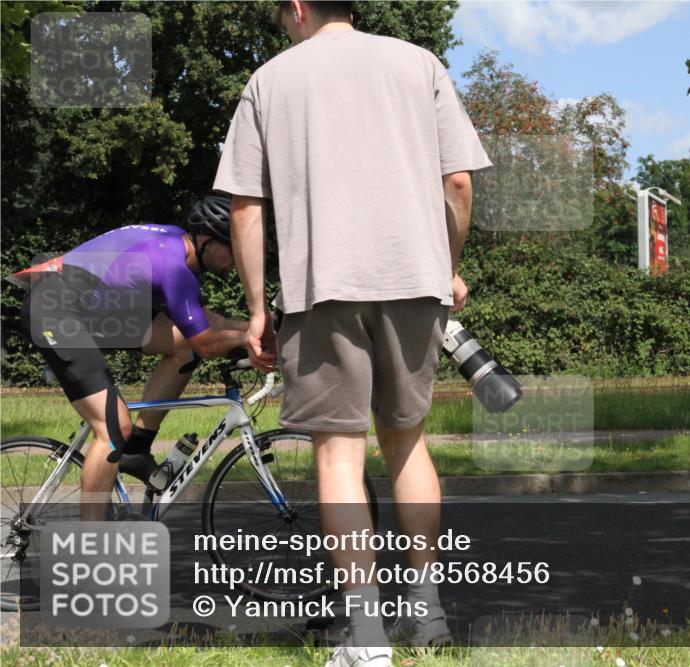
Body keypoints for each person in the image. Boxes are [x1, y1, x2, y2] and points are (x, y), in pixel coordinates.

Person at [213, 1, 491, 665]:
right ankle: (426, 617)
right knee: (408, 443)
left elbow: (246, 207)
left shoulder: (270, 81)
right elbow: (457, 182)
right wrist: (446, 269)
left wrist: (256, 309)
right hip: (414, 281)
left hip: (322, 286)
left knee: (339, 455)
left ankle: (365, 639)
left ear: (300, 8)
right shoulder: (418, 64)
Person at [14, 195, 251, 517]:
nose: (240, 258)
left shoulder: (176, 247)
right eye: (234, 247)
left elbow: (207, 326)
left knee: (184, 347)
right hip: (56, 311)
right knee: (113, 427)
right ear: (207, 242)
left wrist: (258, 330)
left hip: (94, 310)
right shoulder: (174, 267)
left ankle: (137, 447)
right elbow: (209, 343)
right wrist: (254, 341)